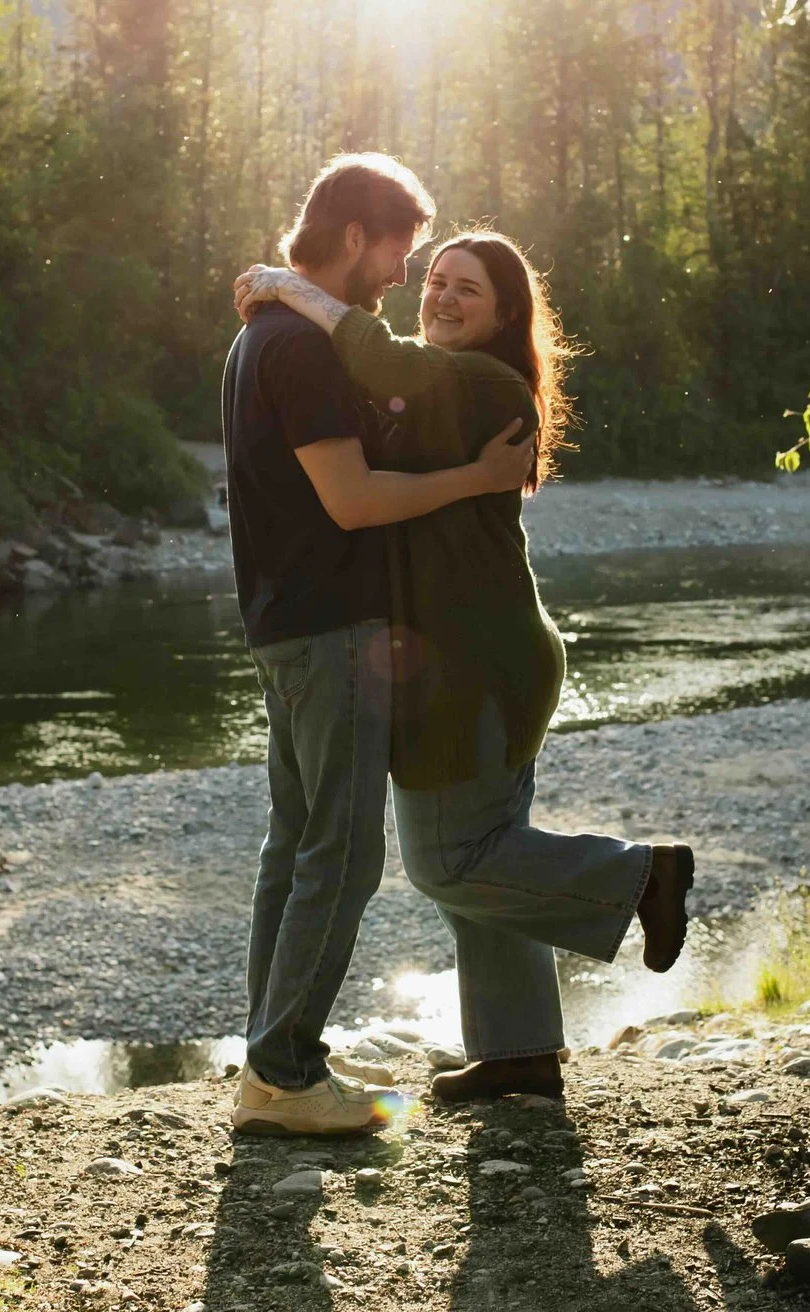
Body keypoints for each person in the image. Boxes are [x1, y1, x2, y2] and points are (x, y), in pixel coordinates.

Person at [235, 231, 693, 1103]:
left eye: (465, 290)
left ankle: (643, 875)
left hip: (479, 666)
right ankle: (520, 1051)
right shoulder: (435, 391)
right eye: (436, 281)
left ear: (505, 315)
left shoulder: (485, 384)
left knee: (451, 860)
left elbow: (375, 353)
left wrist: (290, 288)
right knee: (486, 853)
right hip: (473, 661)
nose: (440, 296)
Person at [222, 154, 536, 1137]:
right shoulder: (298, 347)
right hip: (325, 629)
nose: (405, 275)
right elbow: (353, 499)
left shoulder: (261, 333)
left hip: (284, 624)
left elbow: (391, 361)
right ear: (357, 235)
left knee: (295, 843)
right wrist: (475, 481)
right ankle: (281, 1072)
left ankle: (277, 1056)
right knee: (344, 852)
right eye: (402, 249)